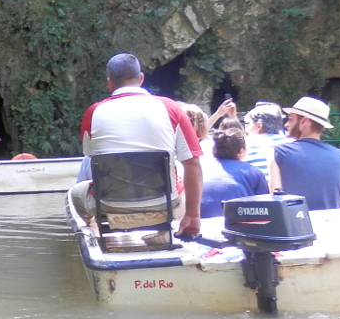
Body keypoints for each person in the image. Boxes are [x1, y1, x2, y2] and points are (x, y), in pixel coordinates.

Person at [70, 53, 204, 237]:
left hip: (109, 203)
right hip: (165, 202)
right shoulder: (171, 108)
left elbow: (94, 159)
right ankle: (166, 230)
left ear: (109, 83)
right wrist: (193, 216)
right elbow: (192, 163)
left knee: (74, 194)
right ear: (141, 79)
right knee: (180, 174)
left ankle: (94, 232)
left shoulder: (93, 113)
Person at [270, 96, 340, 210]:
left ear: (304, 121)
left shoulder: (279, 153)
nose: (286, 124)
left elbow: (276, 201)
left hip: (297, 225)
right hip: (333, 225)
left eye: (291, 119)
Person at [200, 128, 269, 218]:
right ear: (241, 151)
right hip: (239, 226)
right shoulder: (253, 172)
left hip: (203, 224)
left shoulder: (200, 170)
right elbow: (265, 205)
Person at [242, 102, 290, 182]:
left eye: (247, 123)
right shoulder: (292, 144)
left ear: (259, 126)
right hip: (287, 192)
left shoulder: (244, 144)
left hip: (254, 192)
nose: (246, 129)